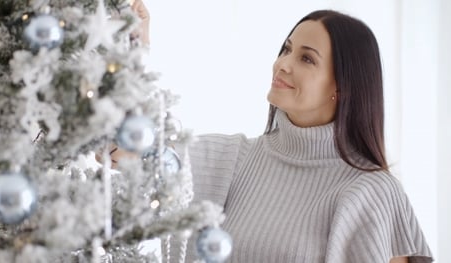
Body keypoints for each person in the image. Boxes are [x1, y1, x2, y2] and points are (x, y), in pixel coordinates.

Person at [102, 1, 434, 262]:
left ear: (342, 87)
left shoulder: (371, 193)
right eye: (287, 49)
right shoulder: (230, 161)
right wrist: (133, 47)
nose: (283, 64)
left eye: (307, 59)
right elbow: (123, 147)